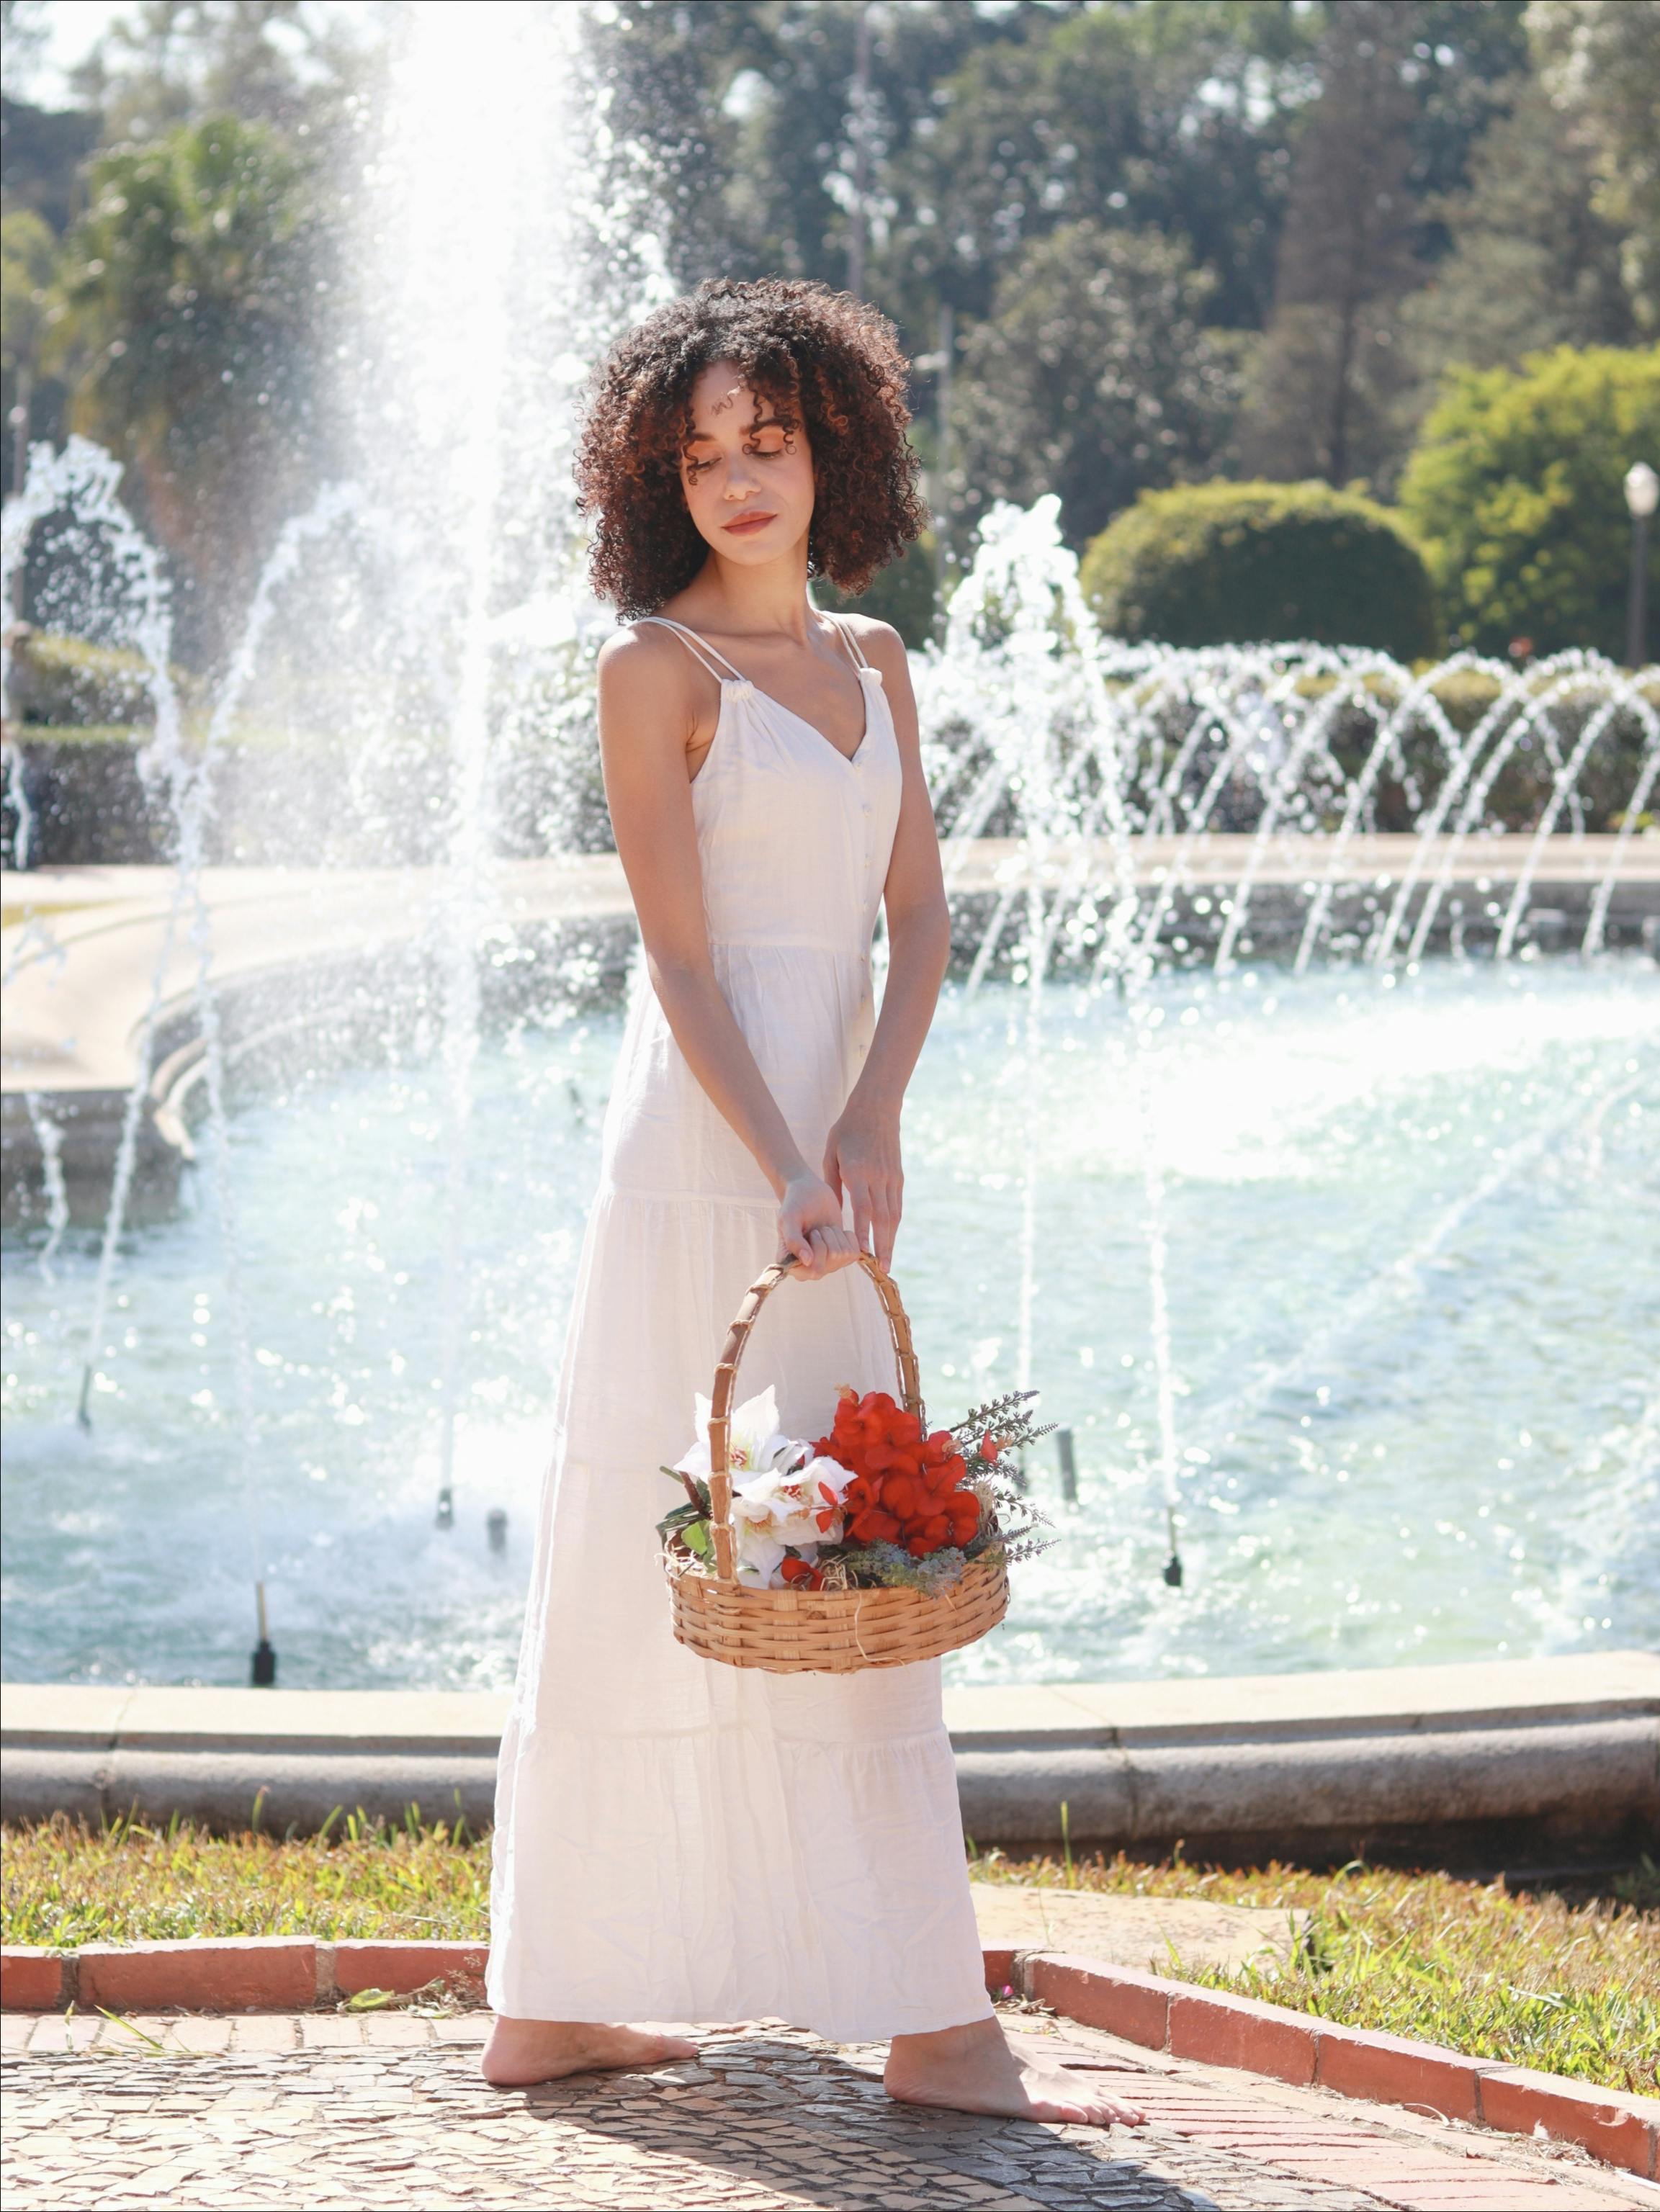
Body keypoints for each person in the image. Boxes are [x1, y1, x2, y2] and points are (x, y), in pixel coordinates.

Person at [483, 276, 1145, 2131]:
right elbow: (678, 964)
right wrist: (781, 1149)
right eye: (698, 456)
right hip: (706, 1139)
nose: (736, 481)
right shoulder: (650, 673)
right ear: (657, 479)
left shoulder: (874, 661)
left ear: (828, 443)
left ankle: (911, 2010)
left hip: (835, 1138)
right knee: (670, 1537)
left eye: (764, 442)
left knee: (844, 1549)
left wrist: (873, 1119)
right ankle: (566, 1996)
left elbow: (918, 914)